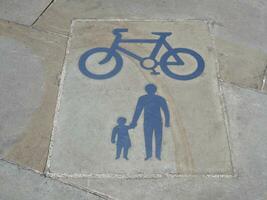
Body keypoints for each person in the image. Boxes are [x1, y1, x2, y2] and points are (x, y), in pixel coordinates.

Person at [130, 84, 170, 160]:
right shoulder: (142, 99)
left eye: (151, 90)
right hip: (148, 121)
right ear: (147, 90)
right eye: (149, 90)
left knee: (158, 138)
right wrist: (134, 122)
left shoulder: (159, 99)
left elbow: (166, 110)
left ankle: (158, 155)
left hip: (157, 121)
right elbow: (138, 111)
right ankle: (149, 155)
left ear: (154, 90)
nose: (150, 91)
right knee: (148, 138)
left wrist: (167, 121)